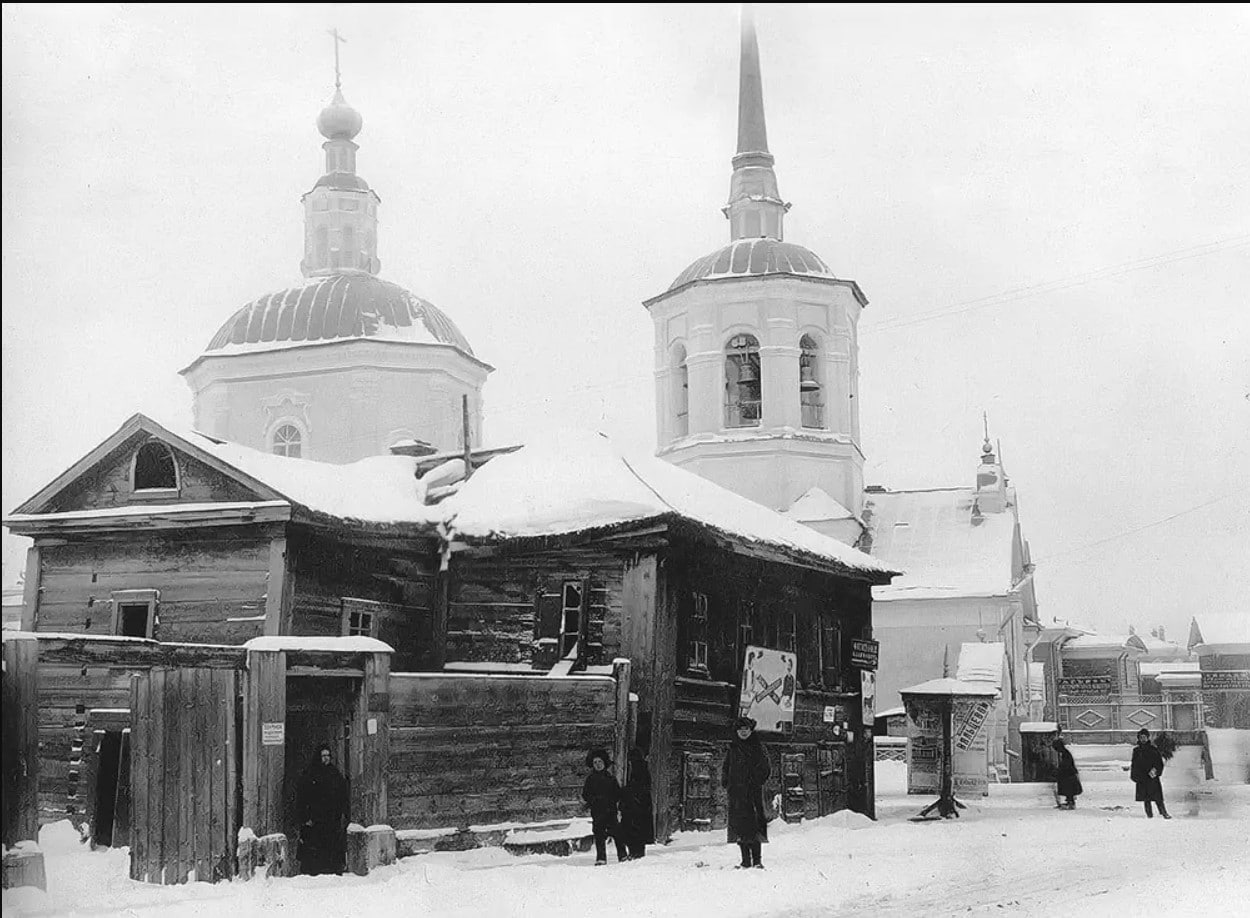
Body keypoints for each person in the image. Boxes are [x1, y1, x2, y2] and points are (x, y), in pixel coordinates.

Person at [722, 715, 770, 869]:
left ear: (751, 730)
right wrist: (727, 783)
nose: (743, 732)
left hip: (752, 793)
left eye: (746, 729)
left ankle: (757, 861)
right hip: (737, 794)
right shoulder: (733, 748)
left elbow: (766, 768)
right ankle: (745, 861)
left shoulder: (757, 747)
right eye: (740, 729)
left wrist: (755, 781)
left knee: (754, 826)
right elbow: (726, 767)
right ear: (736, 731)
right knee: (741, 827)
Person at [296, 744, 349, 875]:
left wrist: (341, 812)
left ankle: (331, 870)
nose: (326, 759)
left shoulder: (334, 774)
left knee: (331, 844)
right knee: (314, 845)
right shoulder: (310, 774)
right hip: (315, 819)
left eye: (328, 756)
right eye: (323, 756)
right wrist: (305, 817)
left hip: (331, 819)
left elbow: (342, 794)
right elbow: (303, 796)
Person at [582, 748, 627, 865]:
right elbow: (585, 794)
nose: (598, 765)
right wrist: (593, 800)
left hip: (610, 810)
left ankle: (622, 855)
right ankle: (601, 858)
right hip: (597, 811)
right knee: (599, 835)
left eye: (600, 762)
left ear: (604, 763)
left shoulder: (610, 778)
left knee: (617, 833)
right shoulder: (590, 780)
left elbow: (617, 793)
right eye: (595, 762)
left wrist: (611, 801)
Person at [618, 746, 655, 859]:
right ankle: (635, 852)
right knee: (633, 830)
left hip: (638, 806)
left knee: (636, 830)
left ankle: (636, 853)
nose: (631, 761)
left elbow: (641, 788)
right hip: (634, 806)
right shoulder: (635, 770)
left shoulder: (640, 770)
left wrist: (626, 792)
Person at [1130, 727, 1171, 819]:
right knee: (1146, 798)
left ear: (1148, 738)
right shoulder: (1136, 751)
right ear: (1139, 738)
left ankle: (1164, 812)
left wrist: (1156, 771)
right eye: (1141, 737)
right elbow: (1134, 764)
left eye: (1145, 737)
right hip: (1142, 777)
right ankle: (1149, 815)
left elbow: (1159, 763)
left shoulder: (1153, 749)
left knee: (1158, 797)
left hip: (1152, 777)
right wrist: (1134, 776)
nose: (1143, 739)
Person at [1052, 733, 1082, 809]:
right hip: (1068, 773)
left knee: (1068, 788)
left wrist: (1059, 771)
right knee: (1068, 789)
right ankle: (1069, 801)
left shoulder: (1065, 754)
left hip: (1068, 774)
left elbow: (1066, 764)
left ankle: (1070, 802)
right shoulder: (1064, 753)